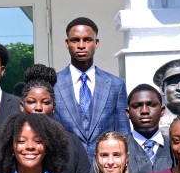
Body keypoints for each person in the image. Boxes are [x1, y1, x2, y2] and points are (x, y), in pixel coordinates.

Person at [54, 17, 130, 162]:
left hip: (106, 170)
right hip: (66, 168)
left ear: (96, 43)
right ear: (67, 43)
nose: (81, 45)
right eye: (75, 40)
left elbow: (123, 134)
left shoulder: (115, 84)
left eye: (87, 40)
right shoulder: (54, 84)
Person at [20, 64, 91, 173]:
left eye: (46, 102)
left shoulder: (72, 143)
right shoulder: (10, 142)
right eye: (31, 102)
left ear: (54, 107)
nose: (38, 107)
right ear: (22, 106)